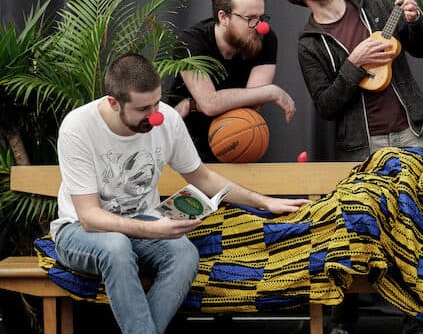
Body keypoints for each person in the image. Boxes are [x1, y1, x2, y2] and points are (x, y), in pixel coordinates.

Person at [50, 53, 309, 334]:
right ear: (114, 103)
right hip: (78, 231)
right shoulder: (79, 127)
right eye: (143, 109)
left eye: (157, 103)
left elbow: (203, 178)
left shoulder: (168, 120)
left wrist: (264, 201)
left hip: (142, 225)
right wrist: (153, 229)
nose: (155, 116)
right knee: (117, 246)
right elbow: (89, 217)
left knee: (184, 254)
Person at [275, 0, 423, 334]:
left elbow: (422, 48)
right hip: (364, 146)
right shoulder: (309, 43)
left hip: (413, 131)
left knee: (422, 223)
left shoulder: (375, 5)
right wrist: (354, 64)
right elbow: (326, 105)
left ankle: (418, 317)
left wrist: (414, 20)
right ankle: (343, 318)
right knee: (362, 228)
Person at [169, 0, 296, 162]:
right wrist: (271, 92)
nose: (260, 27)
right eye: (251, 19)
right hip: (186, 141)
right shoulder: (191, 43)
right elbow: (210, 104)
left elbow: (253, 104)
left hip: (236, 139)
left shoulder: (265, 39)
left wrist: (194, 104)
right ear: (223, 17)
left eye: (261, 17)